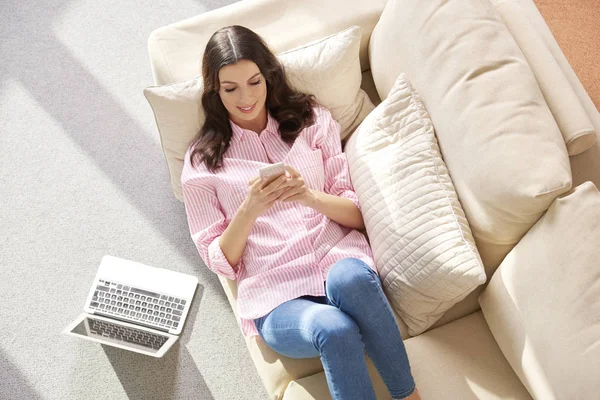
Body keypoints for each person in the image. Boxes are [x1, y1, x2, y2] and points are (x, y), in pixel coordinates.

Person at [181, 25, 422, 400]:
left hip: (337, 258)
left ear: (268, 75)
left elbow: (358, 214)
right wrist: (249, 210)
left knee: (352, 282)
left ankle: (409, 396)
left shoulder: (311, 119)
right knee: (334, 329)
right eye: (230, 89)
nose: (245, 97)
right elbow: (220, 261)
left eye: (254, 82)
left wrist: (310, 197)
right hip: (277, 297)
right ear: (215, 91)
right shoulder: (203, 162)